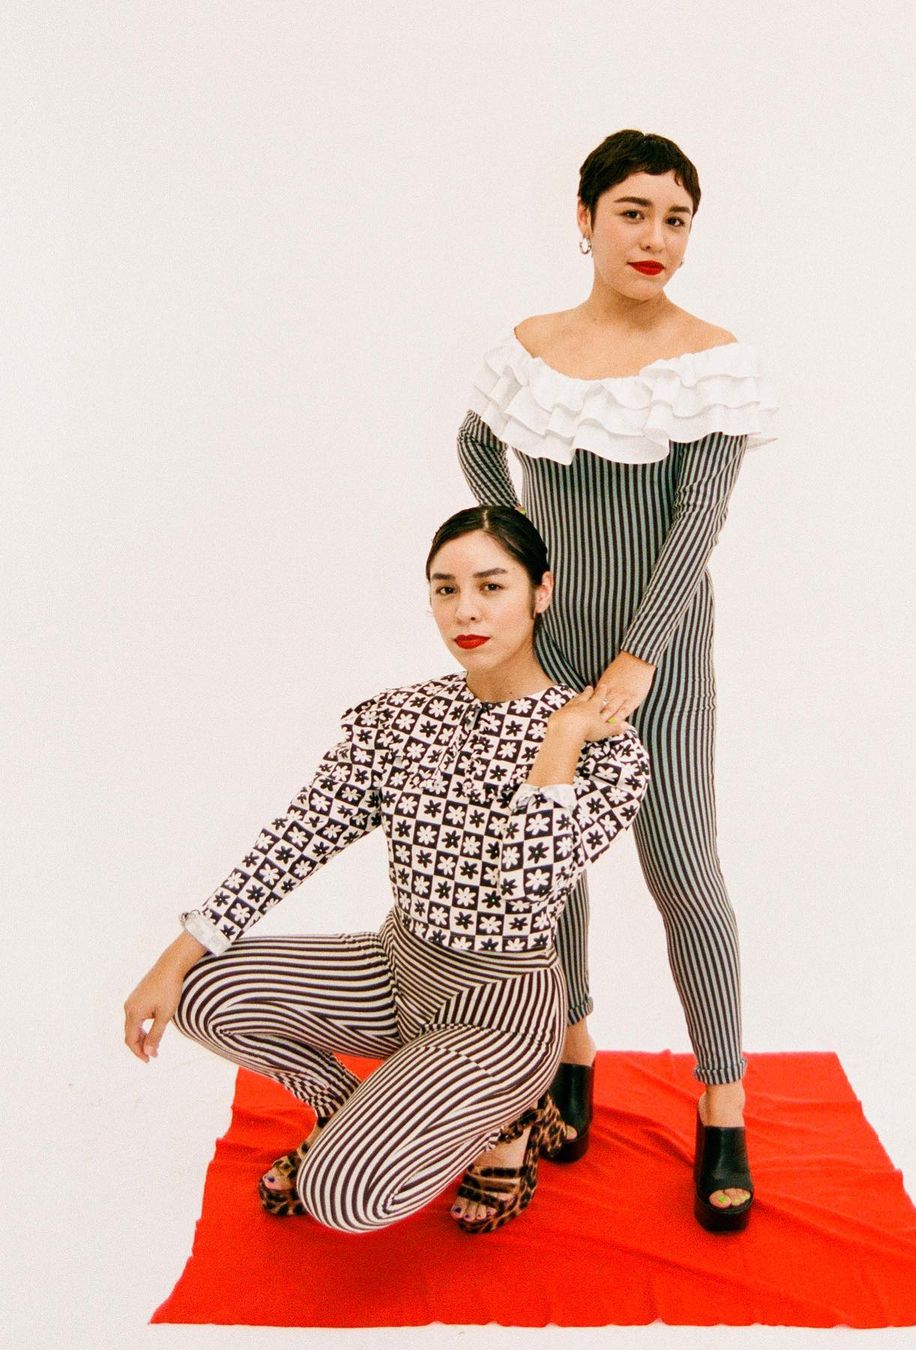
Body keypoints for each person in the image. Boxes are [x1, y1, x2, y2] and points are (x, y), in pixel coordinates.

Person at [123, 505, 649, 1236]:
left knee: (343, 1196)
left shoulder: (606, 750)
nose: (465, 611)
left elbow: (530, 882)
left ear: (542, 591)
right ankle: (346, 1114)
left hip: (498, 1010)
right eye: (445, 589)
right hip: (394, 968)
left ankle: (507, 1121)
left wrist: (561, 736)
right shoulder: (399, 719)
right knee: (199, 990)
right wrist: (174, 955)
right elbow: (296, 840)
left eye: (491, 586)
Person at [458, 129, 777, 1231]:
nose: (656, 238)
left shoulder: (709, 358)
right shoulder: (532, 348)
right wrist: (519, 569)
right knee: (550, 866)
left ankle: (724, 1106)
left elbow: (698, 522)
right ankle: (571, 1047)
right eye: (634, 212)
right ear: (585, 218)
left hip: (664, 658)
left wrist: (640, 657)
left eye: (676, 218)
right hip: (549, 652)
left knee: (683, 869)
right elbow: (477, 443)